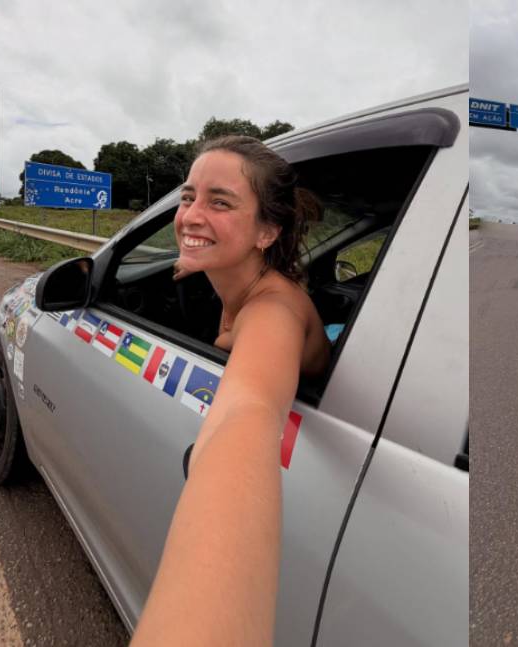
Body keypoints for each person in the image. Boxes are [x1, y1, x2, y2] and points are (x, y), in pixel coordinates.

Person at [130, 136, 329, 646]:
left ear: (267, 231)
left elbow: (251, 410)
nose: (191, 216)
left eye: (220, 202)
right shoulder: (244, 279)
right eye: (188, 196)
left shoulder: (272, 312)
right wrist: (197, 261)